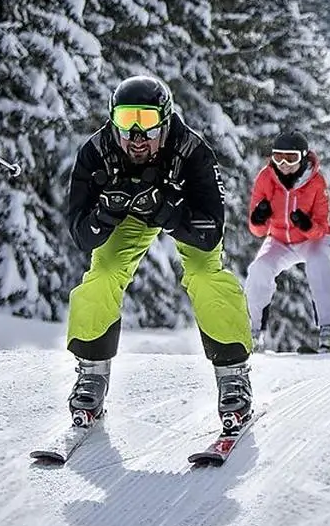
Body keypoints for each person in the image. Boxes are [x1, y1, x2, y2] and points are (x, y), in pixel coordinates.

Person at [63, 75, 254, 434]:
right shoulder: (96, 152)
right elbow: (81, 235)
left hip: (182, 214)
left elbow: (209, 233)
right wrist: (105, 214)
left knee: (205, 275)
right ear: (113, 120)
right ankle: (91, 373)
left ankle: (233, 374)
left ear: (165, 121)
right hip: (126, 216)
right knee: (103, 273)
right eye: (126, 120)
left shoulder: (192, 151)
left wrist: (167, 212)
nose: (137, 135)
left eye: (147, 121)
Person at [244, 131, 330, 354]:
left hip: (313, 240)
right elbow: (257, 230)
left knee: (318, 263)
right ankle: (253, 331)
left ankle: (329, 330)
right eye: (278, 157)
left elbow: (322, 227)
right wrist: (259, 218)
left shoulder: (316, 182)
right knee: (259, 268)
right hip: (280, 240)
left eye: (290, 158)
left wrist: (307, 225)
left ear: (303, 157)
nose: (284, 164)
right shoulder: (265, 178)